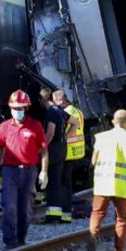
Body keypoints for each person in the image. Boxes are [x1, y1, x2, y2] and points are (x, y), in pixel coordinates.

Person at [0, 90, 49, 249]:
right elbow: (0, 151)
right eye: (15, 108)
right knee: (9, 206)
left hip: (29, 171)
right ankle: (10, 241)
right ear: (10, 109)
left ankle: (21, 239)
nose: (17, 111)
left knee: (25, 210)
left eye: (20, 108)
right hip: (10, 171)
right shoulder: (4, 127)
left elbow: (44, 151)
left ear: (26, 108)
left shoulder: (35, 126)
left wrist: (44, 171)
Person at [87, 109, 126, 251]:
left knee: (97, 213)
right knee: (122, 220)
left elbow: (93, 161)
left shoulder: (101, 138)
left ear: (113, 121)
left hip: (103, 184)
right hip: (122, 187)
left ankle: (92, 235)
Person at [39, 88, 78, 223]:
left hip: (53, 150)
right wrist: (65, 136)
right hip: (62, 149)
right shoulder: (61, 111)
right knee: (59, 181)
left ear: (43, 100)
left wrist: (41, 147)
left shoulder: (51, 112)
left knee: (52, 182)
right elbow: (75, 123)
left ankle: (53, 216)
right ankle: (63, 214)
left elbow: (50, 133)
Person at [53, 89, 84, 223]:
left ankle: (66, 210)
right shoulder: (78, 111)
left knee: (64, 182)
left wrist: (63, 137)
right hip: (77, 150)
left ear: (61, 100)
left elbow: (67, 130)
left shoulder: (66, 112)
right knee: (67, 181)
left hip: (67, 151)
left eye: (55, 102)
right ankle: (67, 209)